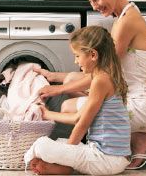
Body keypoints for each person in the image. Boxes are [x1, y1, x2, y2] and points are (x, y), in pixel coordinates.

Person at [34, 0, 146, 169]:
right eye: (90, 1)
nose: (94, 5)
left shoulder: (125, 23)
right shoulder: (124, 15)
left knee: (68, 106)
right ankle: (139, 139)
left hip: (144, 106)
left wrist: (58, 89)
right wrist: (54, 77)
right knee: (79, 86)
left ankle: (74, 158)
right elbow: (96, 71)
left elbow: (103, 72)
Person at [24, 26, 131, 175]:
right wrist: (47, 114)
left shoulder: (100, 81)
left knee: (41, 145)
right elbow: (78, 118)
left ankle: (64, 166)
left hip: (106, 160)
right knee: (60, 142)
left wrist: (65, 156)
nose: (75, 61)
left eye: (77, 56)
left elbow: (81, 124)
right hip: (112, 157)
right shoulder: (105, 75)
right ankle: (64, 167)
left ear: (93, 55)